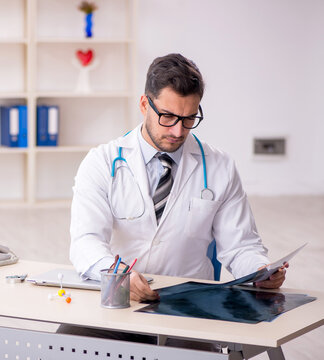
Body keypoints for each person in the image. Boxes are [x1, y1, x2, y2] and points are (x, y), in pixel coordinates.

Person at [69, 53, 287, 303]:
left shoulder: (220, 166)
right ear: (144, 105)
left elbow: (241, 246)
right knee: (69, 339)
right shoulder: (102, 162)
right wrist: (118, 275)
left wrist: (260, 271)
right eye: (168, 117)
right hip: (119, 296)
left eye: (189, 119)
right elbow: (86, 241)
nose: (177, 131)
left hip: (189, 303)